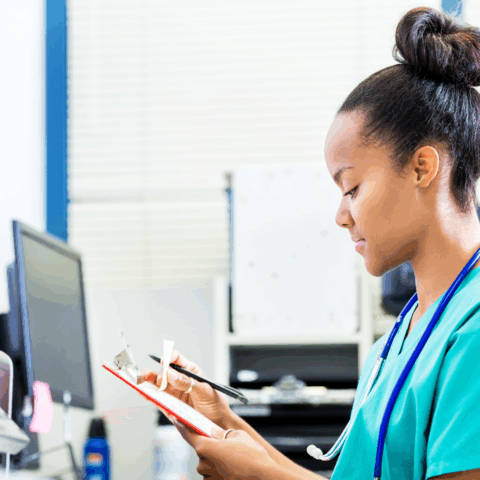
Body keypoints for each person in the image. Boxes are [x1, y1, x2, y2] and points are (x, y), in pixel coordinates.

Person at [140, 6, 480, 479]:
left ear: (423, 167)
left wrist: (261, 476)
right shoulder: (398, 339)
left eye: (352, 188)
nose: (342, 216)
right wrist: (223, 421)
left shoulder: (474, 332)